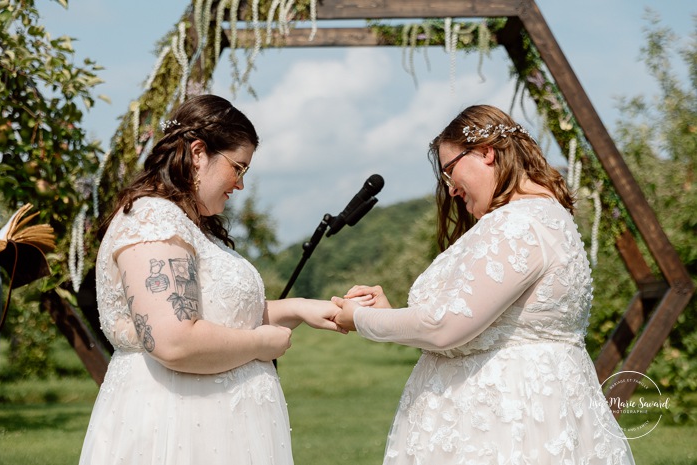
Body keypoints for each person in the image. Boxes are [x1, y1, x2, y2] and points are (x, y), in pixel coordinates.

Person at [332, 104, 635, 464]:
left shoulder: (517, 224)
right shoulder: (543, 217)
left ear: (486, 153)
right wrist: (393, 315)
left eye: (449, 171)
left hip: (502, 421)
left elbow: (446, 328)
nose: (451, 190)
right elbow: (472, 322)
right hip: (529, 406)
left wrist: (360, 319)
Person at [79, 94, 344, 465]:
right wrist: (258, 344)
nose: (240, 184)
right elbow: (173, 340)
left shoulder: (188, 225)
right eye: (238, 167)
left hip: (215, 423)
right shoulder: (152, 221)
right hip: (177, 425)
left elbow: (217, 314)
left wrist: (298, 308)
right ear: (198, 152)